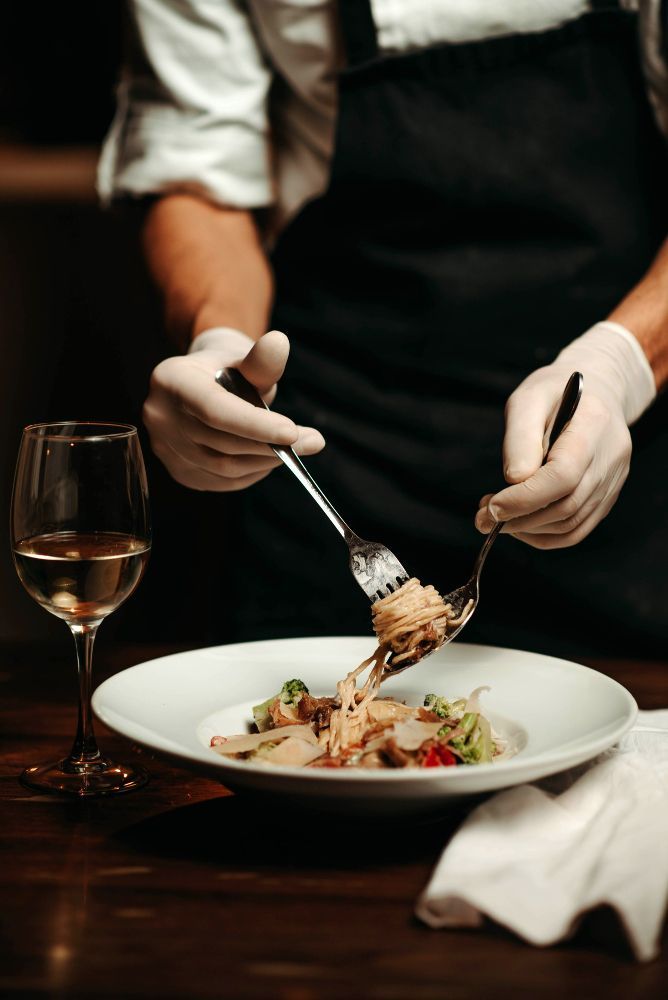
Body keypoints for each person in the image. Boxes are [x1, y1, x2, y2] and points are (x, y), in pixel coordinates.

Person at [100, 0, 668, 657]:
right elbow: (198, 173)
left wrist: (620, 365)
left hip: (624, 486)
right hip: (337, 456)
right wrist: (221, 344)